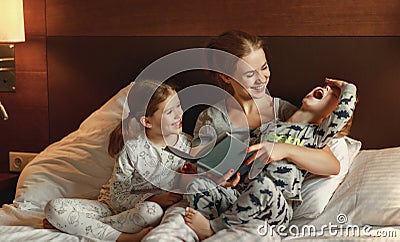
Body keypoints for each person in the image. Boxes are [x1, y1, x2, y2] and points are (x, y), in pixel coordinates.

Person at [181, 30, 343, 240]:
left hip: (268, 210)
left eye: (264, 68)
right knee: (193, 188)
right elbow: (197, 170)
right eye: (249, 74)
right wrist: (217, 180)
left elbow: (332, 165)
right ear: (225, 77)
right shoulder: (212, 118)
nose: (261, 79)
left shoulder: (285, 113)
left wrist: (282, 149)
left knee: (259, 204)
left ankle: (214, 229)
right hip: (230, 199)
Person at [44, 80, 191, 242]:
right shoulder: (133, 149)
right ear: (147, 121)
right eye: (169, 112)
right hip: (110, 208)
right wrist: (154, 198)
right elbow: (117, 198)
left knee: (152, 212)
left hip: (142, 212)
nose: (179, 114)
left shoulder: (189, 146)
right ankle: (122, 238)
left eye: (178, 105)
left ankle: (79, 225)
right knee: (53, 208)